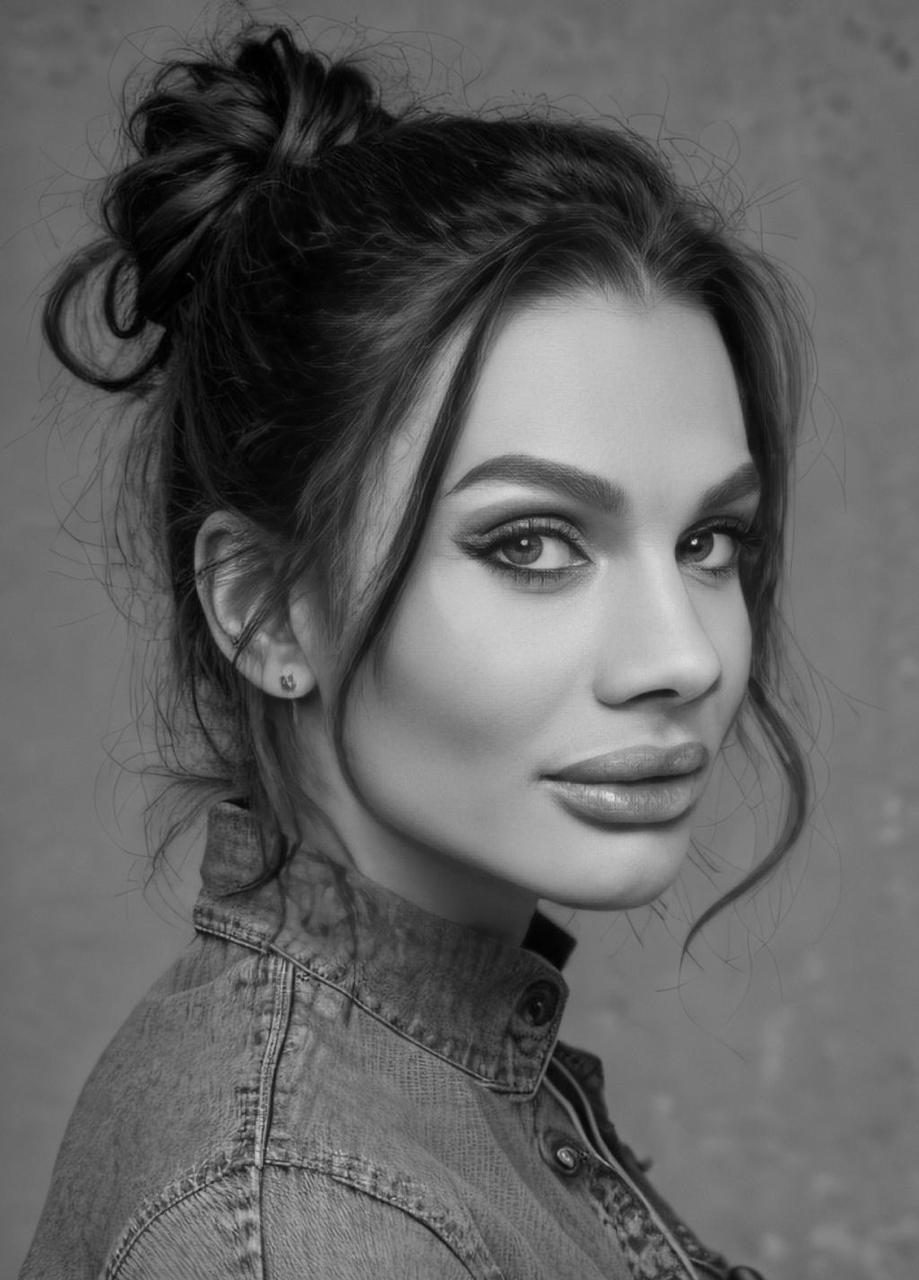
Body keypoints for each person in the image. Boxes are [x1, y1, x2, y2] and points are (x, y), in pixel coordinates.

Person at [21, 20, 813, 1280]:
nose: (686, 657)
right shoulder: (304, 1222)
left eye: (708, 540)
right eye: (532, 542)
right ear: (266, 607)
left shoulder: (416, 1100)